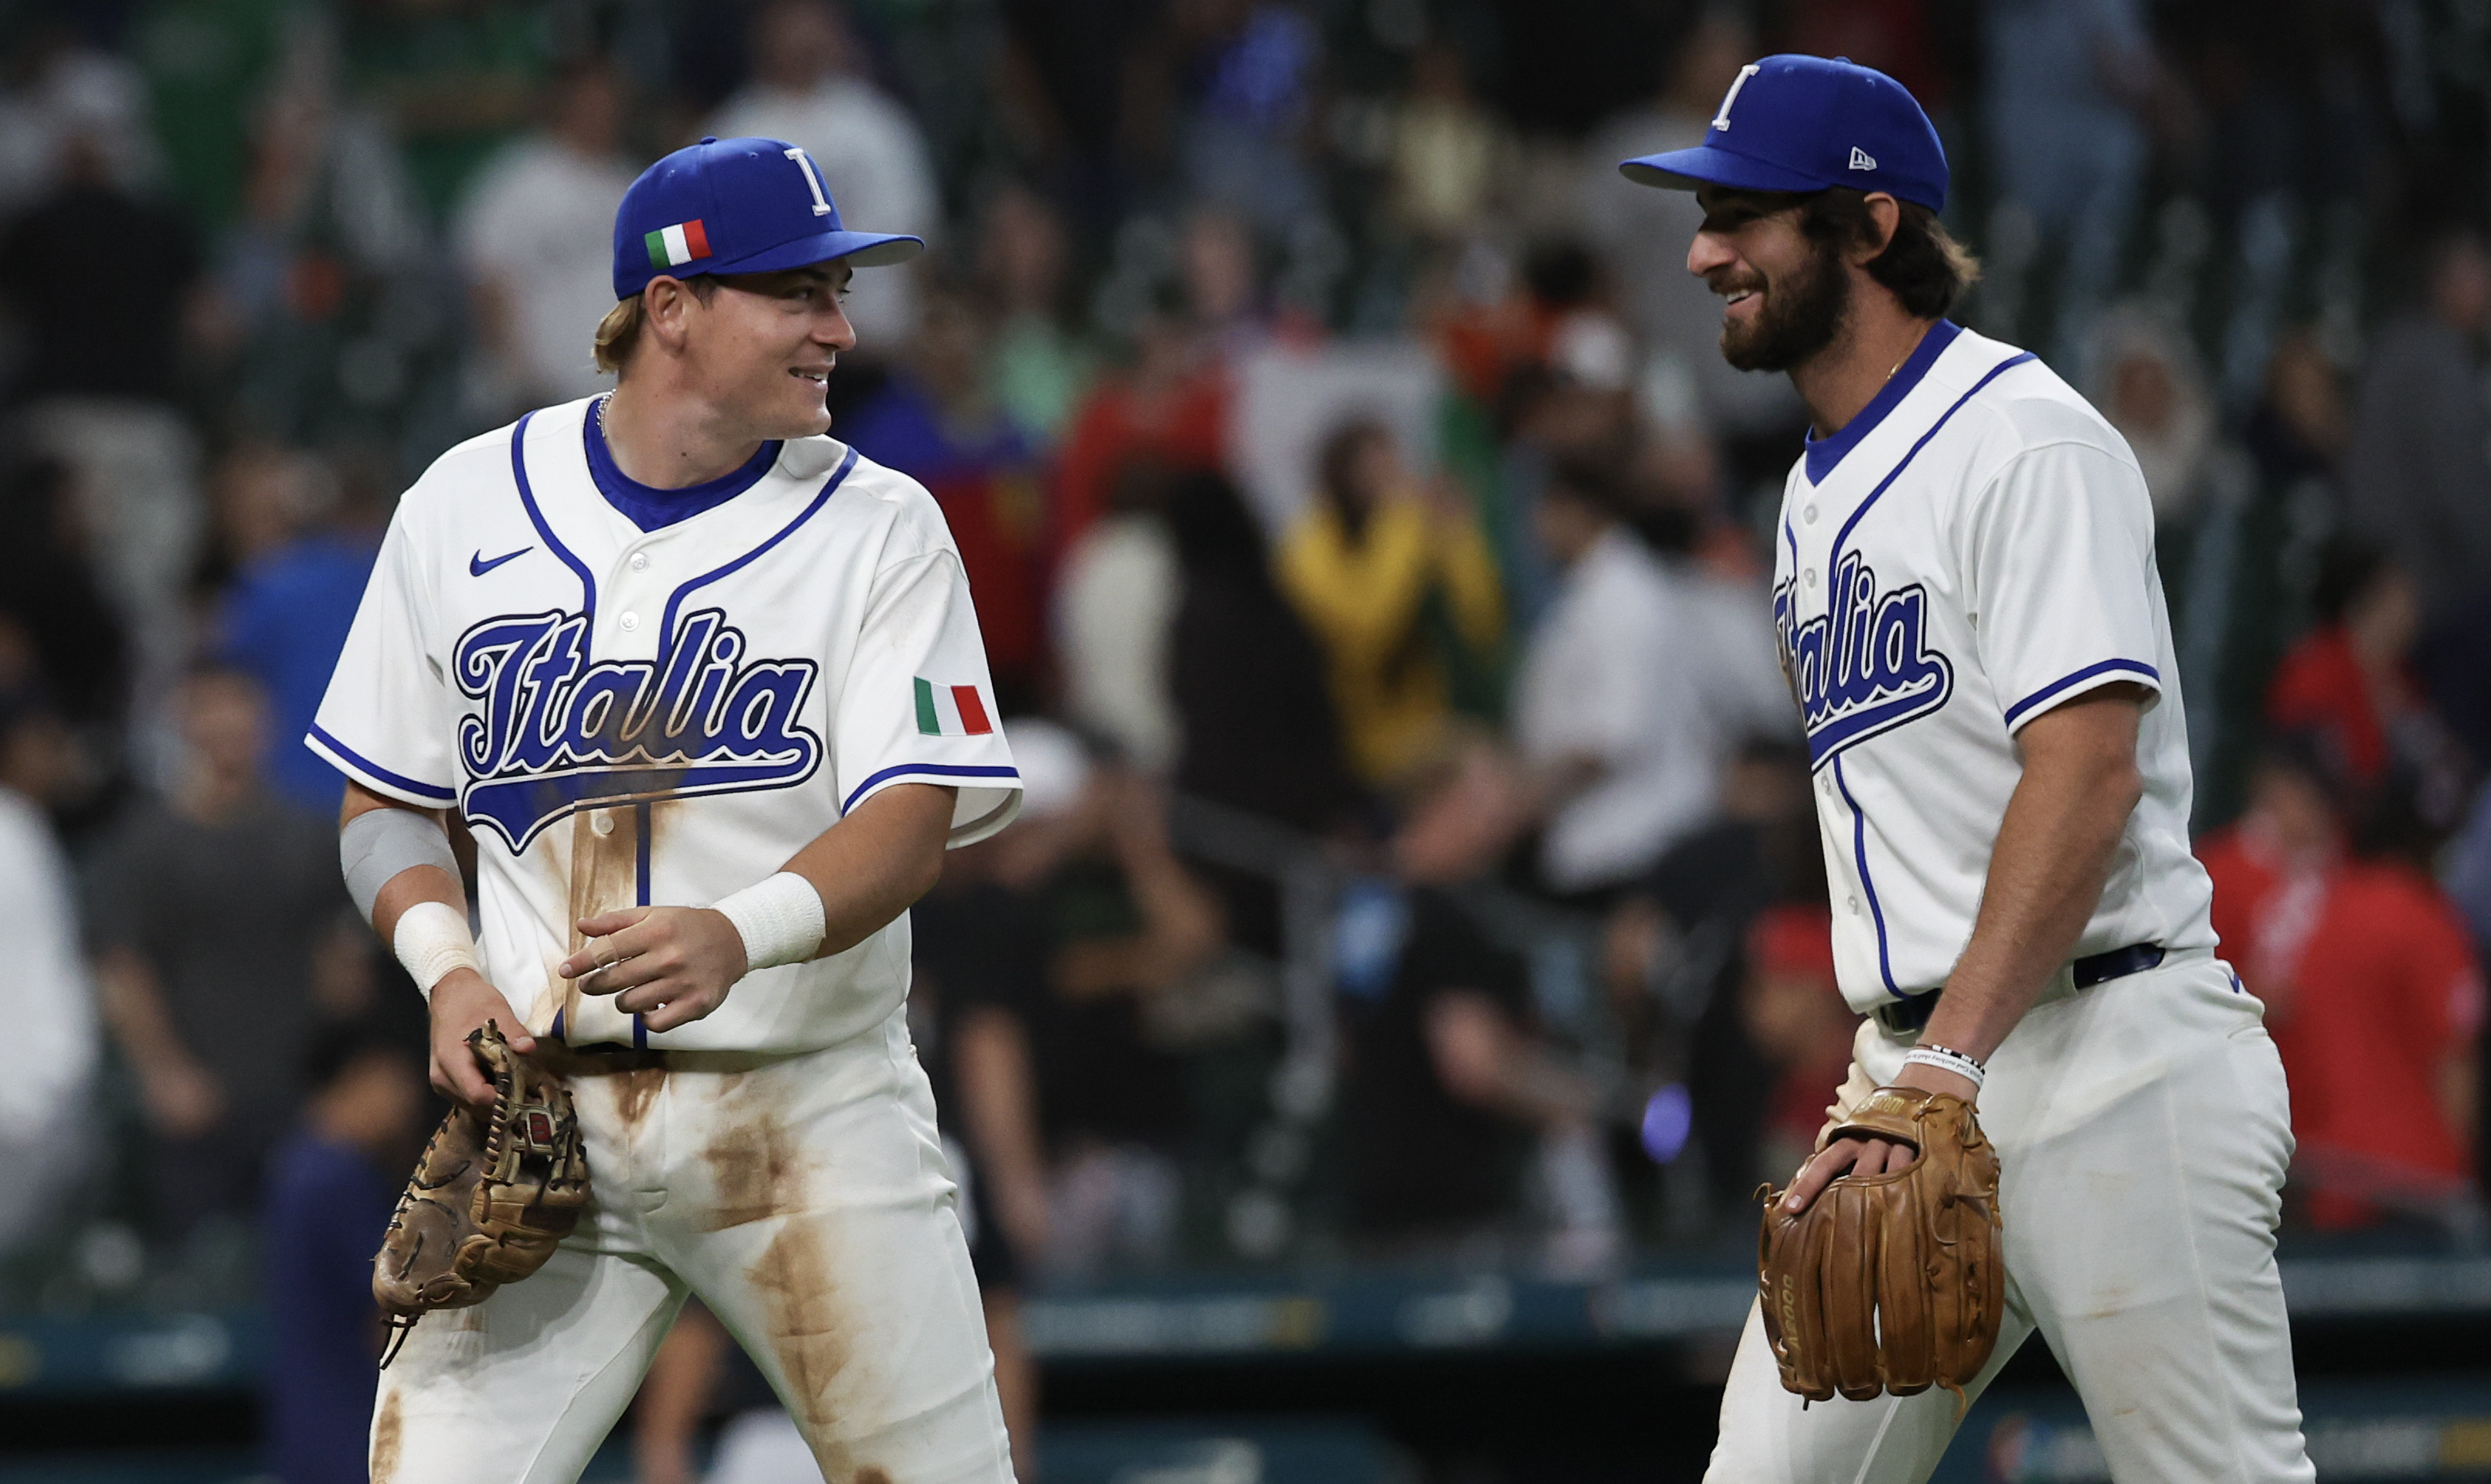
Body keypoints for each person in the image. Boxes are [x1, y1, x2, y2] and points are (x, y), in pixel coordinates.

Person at [1619, 54, 2312, 1480]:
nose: (1701, 251)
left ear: (1867, 228)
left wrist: (1944, 1060)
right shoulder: (1807, 493)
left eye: (1742, 213)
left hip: (2112, 1053)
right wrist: (1912, 1071)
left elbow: (2085, 774)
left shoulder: (2023, 439)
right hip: (1915, 1073)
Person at [308, 137, 1021, 1482]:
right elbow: (383, 805)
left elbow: (915, 816)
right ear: (673, 309)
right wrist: (443, 969)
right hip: (545, 1123)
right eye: (797, 294)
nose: (840, 327)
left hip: (808, 1106)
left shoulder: (883, 528)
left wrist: (739, 932)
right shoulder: (461, 504)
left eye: (837, 291)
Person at [89, 665, 365, 1244]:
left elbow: (342, 957)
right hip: (199, 1106)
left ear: (266, 723)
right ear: (183, 724)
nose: (226, 725)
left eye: (239, 709)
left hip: (302, 1104)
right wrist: (165, 1073)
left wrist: (344, 1070)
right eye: (208, 710)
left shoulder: (310, 836)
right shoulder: (145, 843)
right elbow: (121, 968)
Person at [2197, 740, 2483, 1233]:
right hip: (2418, 1187)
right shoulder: (2429, 920)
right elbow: (2454, 1068)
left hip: (2323, 1174)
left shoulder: (2316, 916)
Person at [1278, 416, 1504, 789]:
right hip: (1350, 742)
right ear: (1342, 477)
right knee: (1482, 775)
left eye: (1394, 465)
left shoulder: (1406, 532)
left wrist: (1458, 531)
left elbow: (1484, 623)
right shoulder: (1305, 547)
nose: (1393, 479)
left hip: (1423, 723)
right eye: (1376, 470)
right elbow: (1368, 633)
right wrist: (1403, 523)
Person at [707, 0, 939, 345]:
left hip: (879, 344)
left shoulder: (877, 121)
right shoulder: (732, 130)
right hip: (777, 345)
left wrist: (923, 332)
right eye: (791, 20)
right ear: (764, 32)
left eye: (814, 19)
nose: (804, 33)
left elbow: (918, 237)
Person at [261, 1019, 429, 1484]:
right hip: (352, 1430)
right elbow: (392, 1314)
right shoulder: (333, 1176)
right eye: (395, 1081)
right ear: (359, 1078)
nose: (407, 1101)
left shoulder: (298, 1163)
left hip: (313, 1428)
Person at [454, 58, 639, 416]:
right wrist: (513, 375)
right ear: (562, 100)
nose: (600, 109)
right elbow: (486, 282)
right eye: (588, 98)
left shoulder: (631, 182)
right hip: (532, 402)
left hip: (615, 399)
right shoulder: (517, 180)